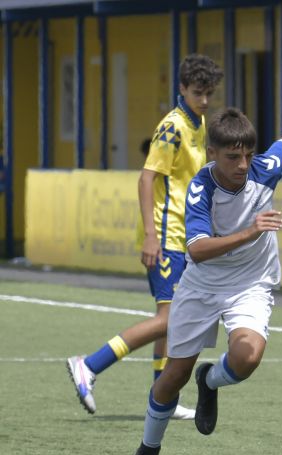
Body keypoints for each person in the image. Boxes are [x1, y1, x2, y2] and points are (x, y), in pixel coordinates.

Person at [128, 108, 282, 455]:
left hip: (251, 283)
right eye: (233, 157)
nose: (242, 164)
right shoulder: (201, 188)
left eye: (248, 155)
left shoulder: (264, 169)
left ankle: (211, 380)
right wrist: (250, 232)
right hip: (202, 285)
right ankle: (147, 449)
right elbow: (197, 251)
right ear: (212, 154)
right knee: (174, 375)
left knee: (247, 357)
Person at [66, 54, 223, 417]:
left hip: (185, 235)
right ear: (181, 88)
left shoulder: (198, 121)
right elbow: (146, 178)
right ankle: (89, 364)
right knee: (170, 320)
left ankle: (162, 398)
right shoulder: (172, 126)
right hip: (166, 235)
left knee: (171, 318)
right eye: (197, 92)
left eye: (208, 93)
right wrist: (151, 236)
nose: (204, 99)